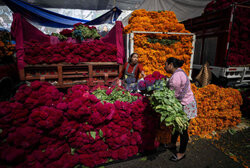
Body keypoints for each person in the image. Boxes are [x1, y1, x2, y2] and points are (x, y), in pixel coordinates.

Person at [164, 57, 197, 162]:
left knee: (183, 130)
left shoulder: (175, 78)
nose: (164, 67)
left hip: (185, 106)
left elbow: (173, 96)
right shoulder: (179, 72)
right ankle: (173, 143)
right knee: (177, 126)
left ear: (171, 65)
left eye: (165, 64)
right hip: (187, 103)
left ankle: (181, 153)